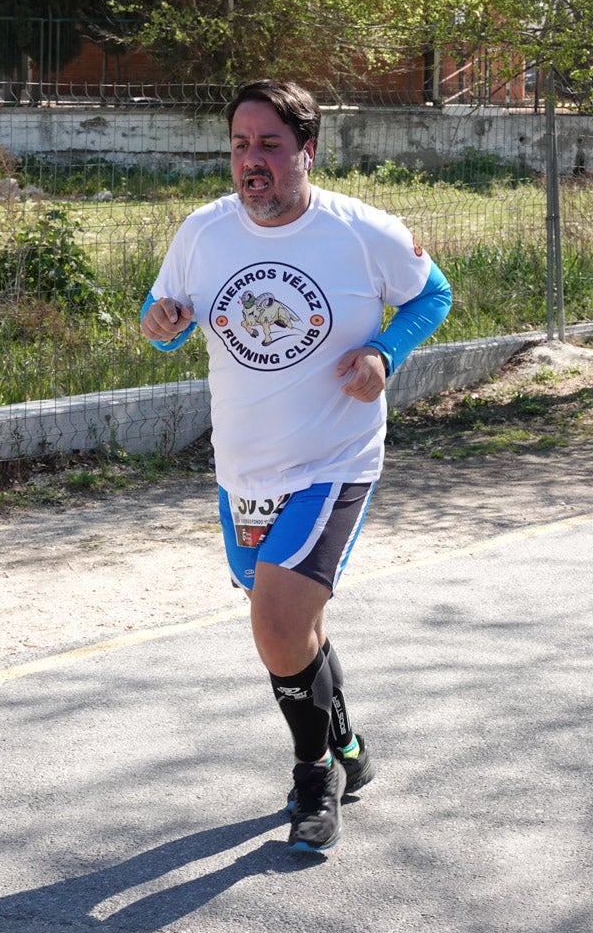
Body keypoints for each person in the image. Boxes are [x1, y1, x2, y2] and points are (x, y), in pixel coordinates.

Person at [140, 79, 451, 852]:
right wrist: (161, 326)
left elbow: (432, 295)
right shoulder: (203, 232)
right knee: (294, 631)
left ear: (305, 152)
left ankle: (312, 779)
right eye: (241, 145)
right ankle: (347, 745)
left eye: (270, 145)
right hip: (242, 471)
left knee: (275, 622)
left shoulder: (359, 231)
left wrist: (385, 350)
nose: (253, 162)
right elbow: (167, 322)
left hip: (332, 461)